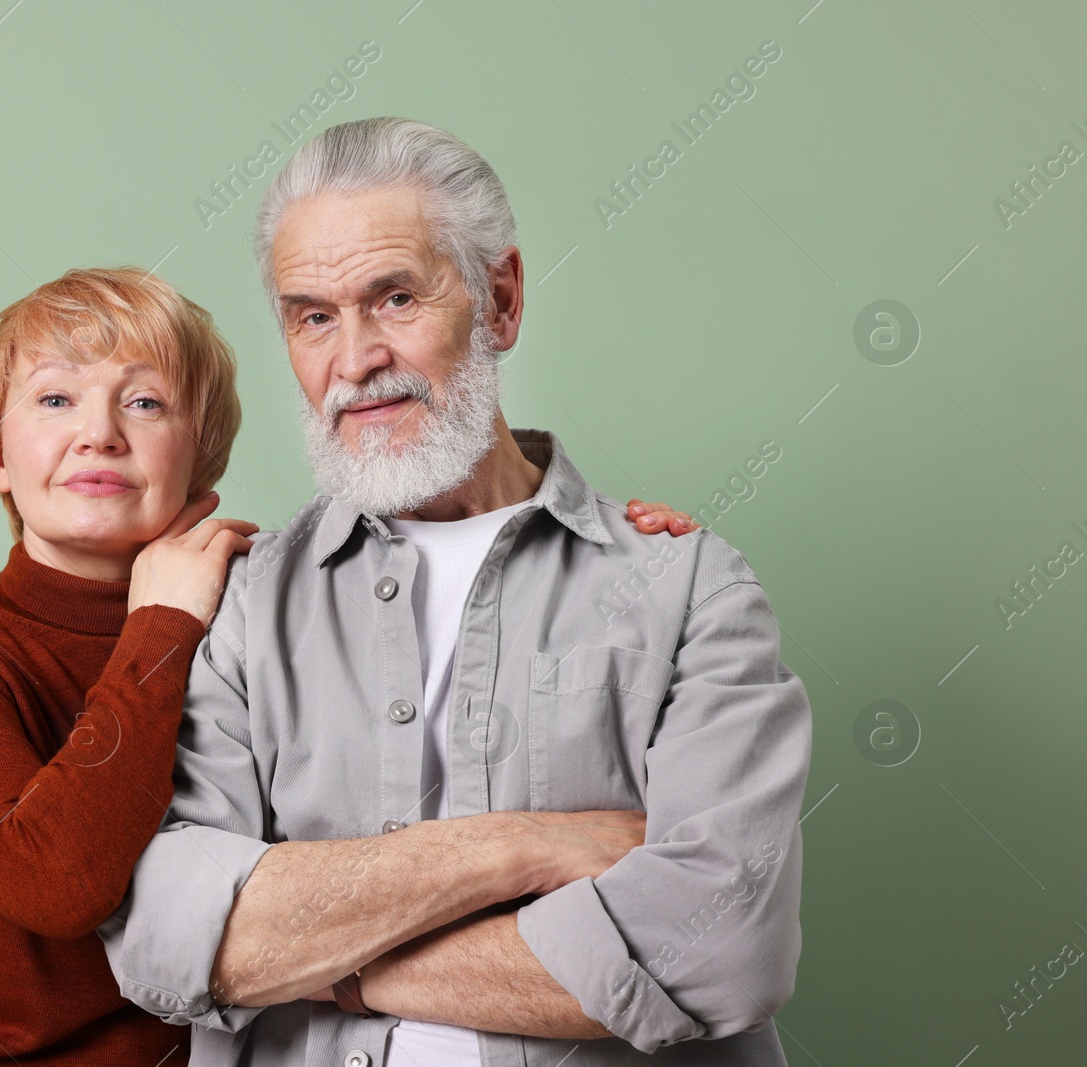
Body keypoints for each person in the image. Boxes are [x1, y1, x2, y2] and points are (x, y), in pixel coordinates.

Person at [0, 263, 703, 1064]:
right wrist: (157, 628)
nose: (98, 434)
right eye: (55, 399)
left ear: (202, 453)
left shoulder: (266, 603)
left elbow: (447, 651)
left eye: (144, 403)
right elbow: (58, 881)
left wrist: (614, 550)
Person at [98, 118, 812, 1066]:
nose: (353, 361)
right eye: (312, 316)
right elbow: (165, 940)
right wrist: (519, 848)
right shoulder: (233, 604)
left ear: (500, 299)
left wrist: (326, 958)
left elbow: (719, 945)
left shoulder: (686, 588)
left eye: (394, 298)